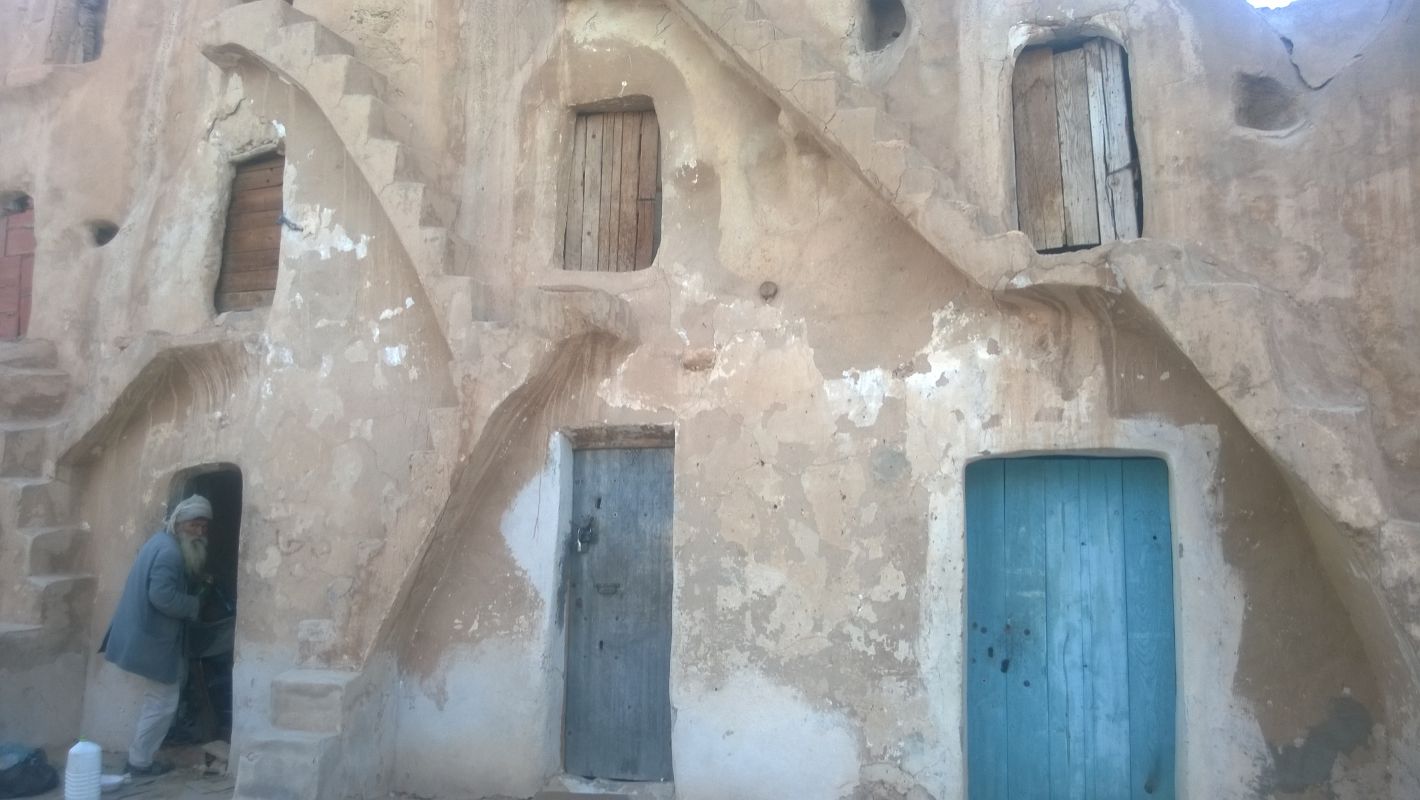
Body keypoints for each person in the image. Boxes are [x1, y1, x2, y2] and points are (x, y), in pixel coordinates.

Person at [101, 495, 213, 776]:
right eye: (194, 525)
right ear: (179, 523)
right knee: (162, 702)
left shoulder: (160, 542)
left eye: (203, 527)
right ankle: (139, 762)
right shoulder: (170, 553)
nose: (199, 532)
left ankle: (140, 758)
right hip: (152, 639)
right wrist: (194, 604)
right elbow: (162, 596)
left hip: (145, 635)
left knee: (159, 699)